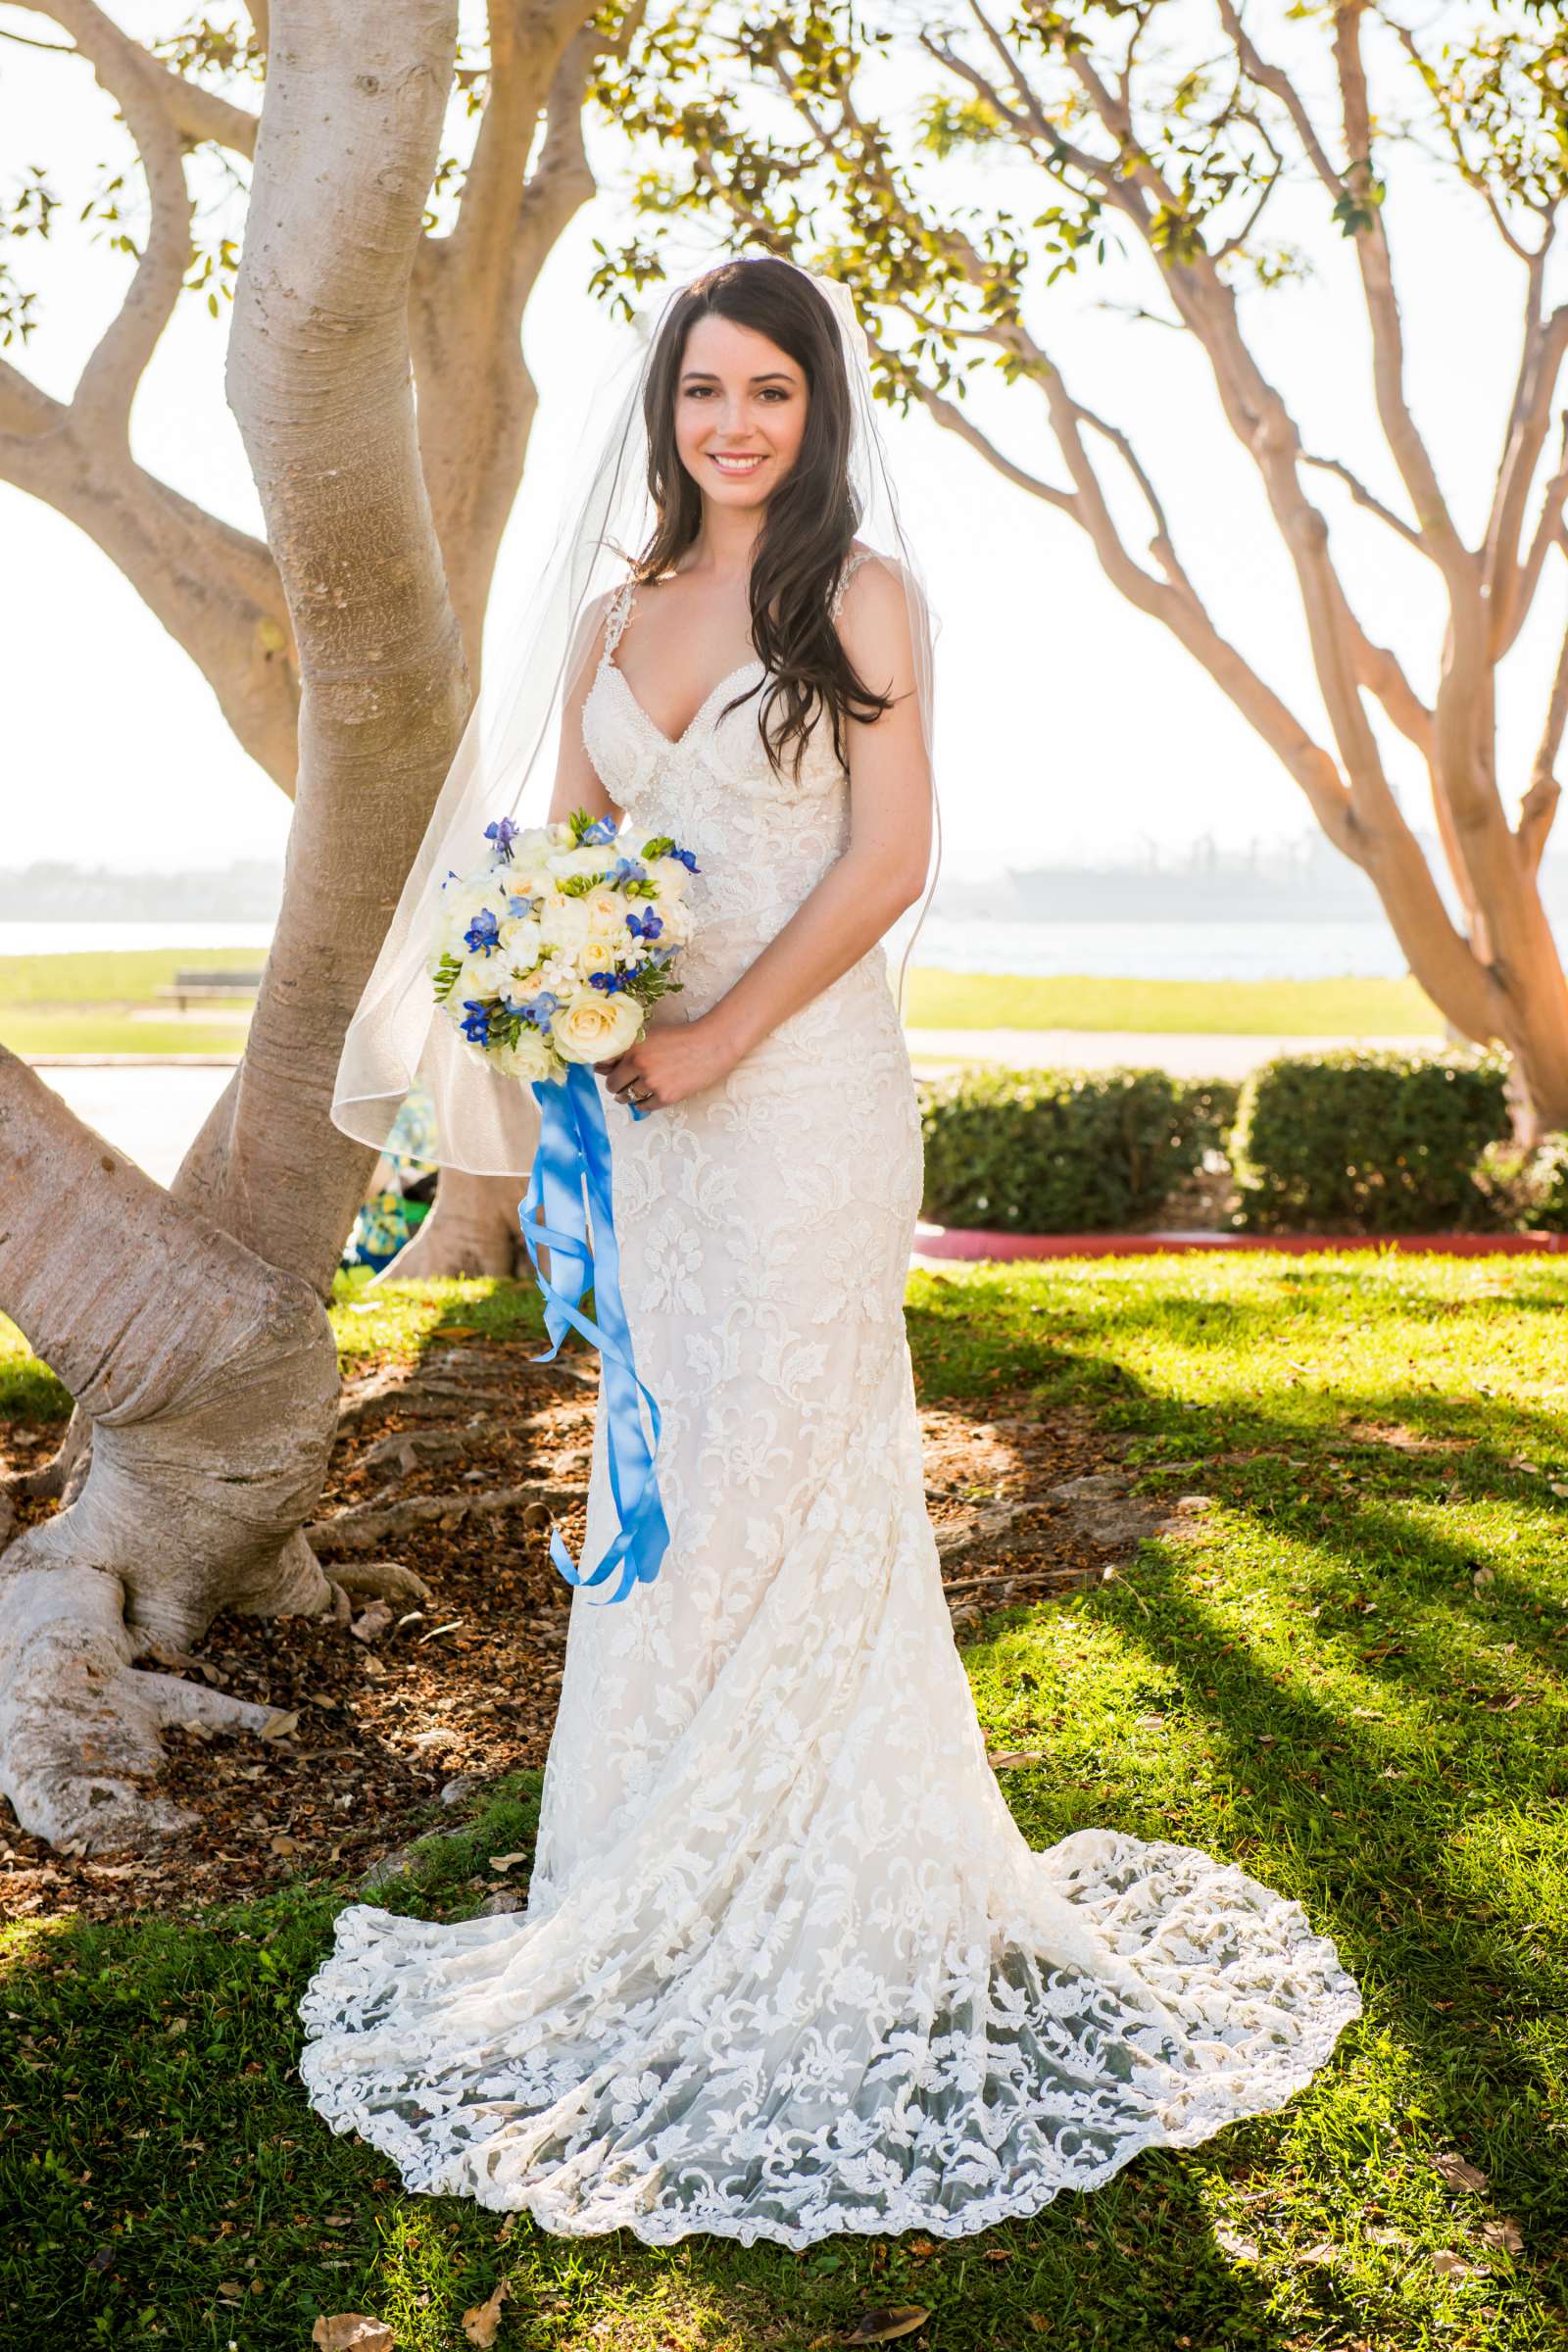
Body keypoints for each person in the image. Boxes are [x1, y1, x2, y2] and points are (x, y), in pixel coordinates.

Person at [299, 256, 1361, 2248]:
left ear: (815, 408)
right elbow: (561, 861)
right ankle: (646, 1881)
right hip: (658, 1133)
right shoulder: (614, 620)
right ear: (667, 408)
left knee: (802, 1471)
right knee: (683, 1486)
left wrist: (713, 1034)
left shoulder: (854, 598)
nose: (732, 424)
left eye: (768, 390)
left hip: (802, 1114)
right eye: (704, 388)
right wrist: (576, 1024)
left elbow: (884, 859)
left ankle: (831, 1897)